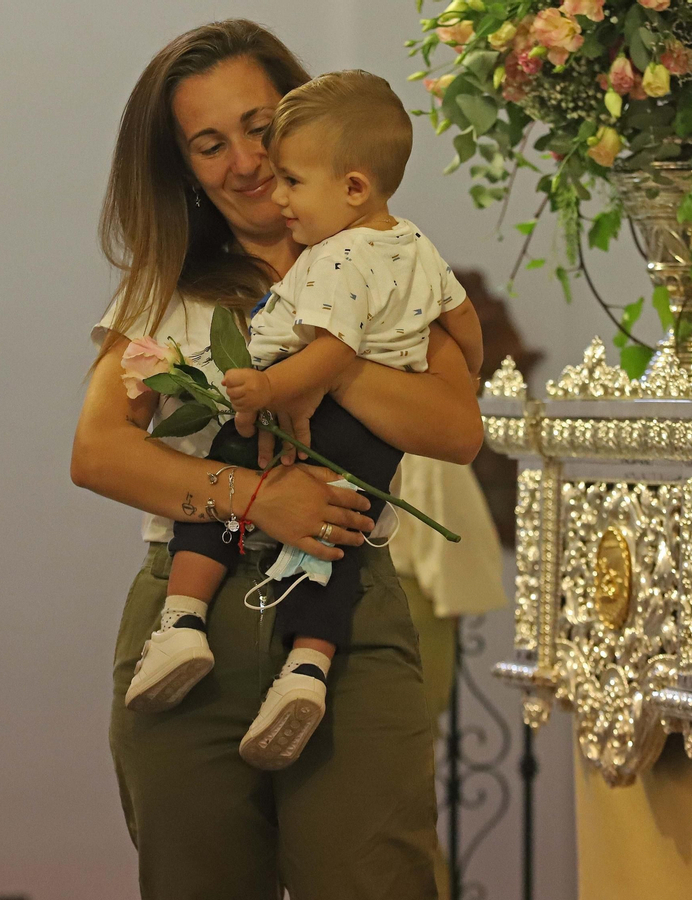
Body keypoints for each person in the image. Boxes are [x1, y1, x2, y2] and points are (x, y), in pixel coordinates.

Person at [72, 18, 483, 899]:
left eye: (260, 128)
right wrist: (258, 499)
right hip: (193, 613)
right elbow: (98, 452)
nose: (247, 162)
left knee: (376, 877)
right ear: (185, 167)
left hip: (348, 607)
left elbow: (456, 429)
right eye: (210, 145)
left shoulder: (394, 266)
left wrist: (323, 358)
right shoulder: (167, 285)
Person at [124, 69, 484, 771]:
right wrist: (465, 359)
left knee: (228, 478)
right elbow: (462, 318)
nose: (258, 172)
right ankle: (308, 673)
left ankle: (183, 621)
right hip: (370, 455)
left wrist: (265, 387)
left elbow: (332, 353)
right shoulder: (414, 244)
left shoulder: (337, 256)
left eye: (266, 141)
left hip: (307, 432)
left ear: (350, 184)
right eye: (208, 144)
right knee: (333, 547)